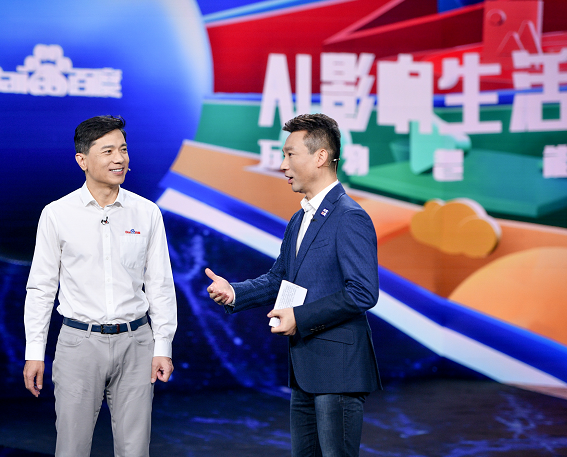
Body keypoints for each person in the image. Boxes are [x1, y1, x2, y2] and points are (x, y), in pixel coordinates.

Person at [206, 113, 381, 457]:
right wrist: (235, 292)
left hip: (338, 371)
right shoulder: (300, 218)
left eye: (290, 154)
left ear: (320, 157)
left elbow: (362, 291)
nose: (282, 165)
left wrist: (299, 318)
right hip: (305, 370)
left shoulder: (350, 216)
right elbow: (279, 279)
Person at [23, 115, 177, 457]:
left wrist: (162, 345)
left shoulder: (147, 212)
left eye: (123, 149)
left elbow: (160, 284)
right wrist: (34, 351)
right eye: (107, 151)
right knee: (72, 448)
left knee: (135, 450)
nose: (119, 159)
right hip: (79, 343)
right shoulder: (57, 214)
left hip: (136, 343)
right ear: (82, 160)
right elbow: (41, 288)